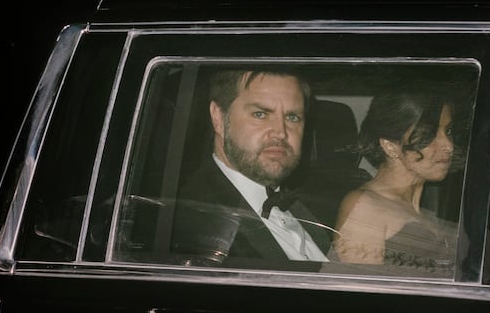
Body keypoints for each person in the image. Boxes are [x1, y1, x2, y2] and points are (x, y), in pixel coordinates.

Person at [174, 67, 333, 263]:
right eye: (260, 114)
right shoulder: (193, 223)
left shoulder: (309, 205)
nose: (280, 132)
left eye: (292, 117)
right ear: (218, 118)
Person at [331, 84, 461, 275]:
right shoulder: (366, 207)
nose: (449, 145)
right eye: (429, 134)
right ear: (391, 146)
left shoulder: (428, 214)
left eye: (448, 131)